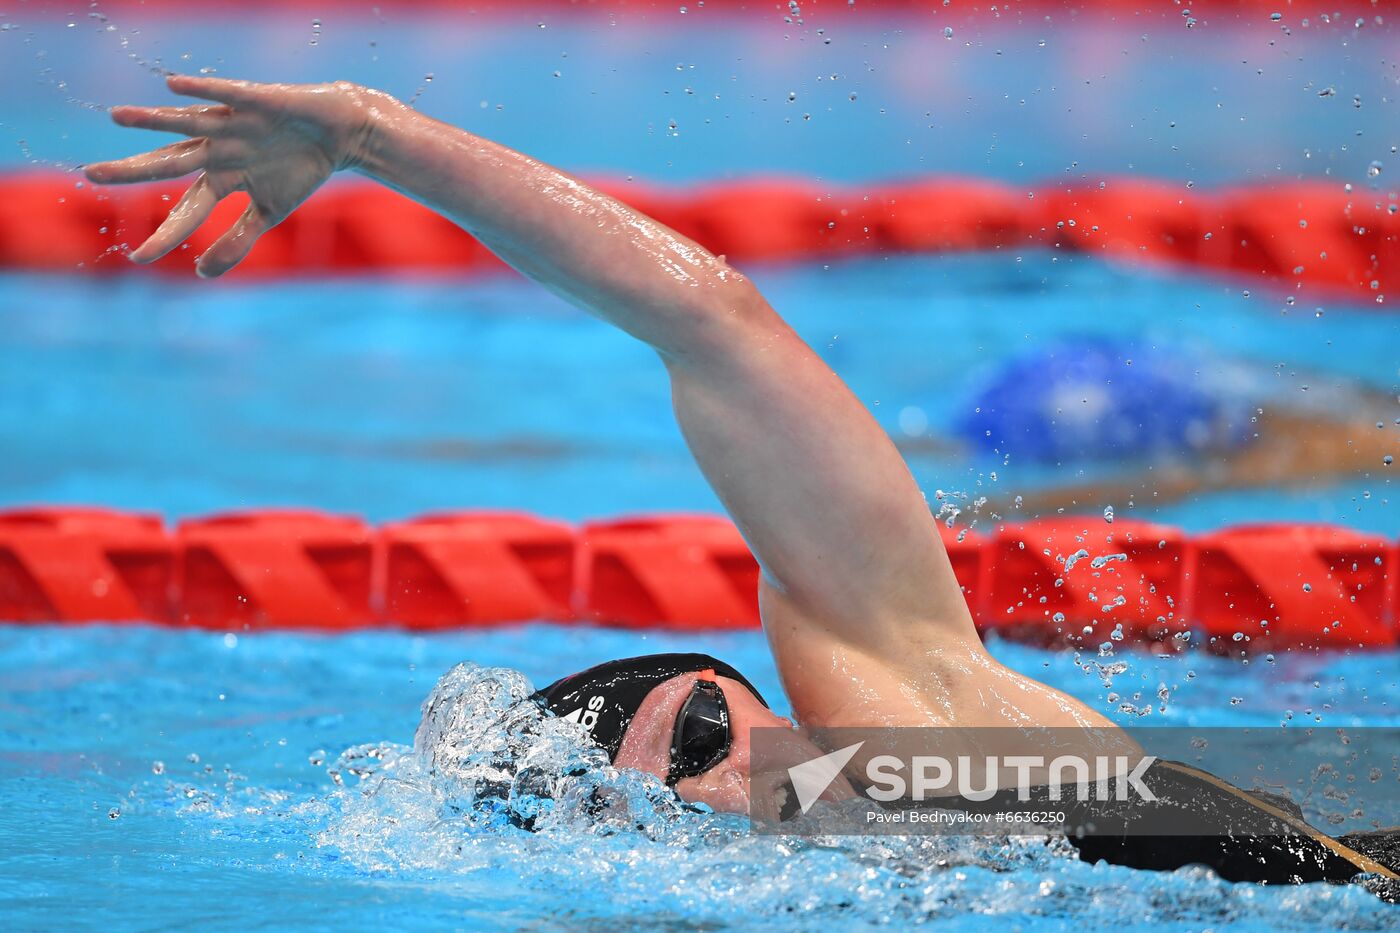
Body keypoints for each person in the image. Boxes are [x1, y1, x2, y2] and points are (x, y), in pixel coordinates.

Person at [86, 76, 1399, 893]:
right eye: (706, 749)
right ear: (628, 834)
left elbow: (716, 324)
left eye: (733, 716)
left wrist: (380, 134)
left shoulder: (902, 750)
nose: (769, 751)